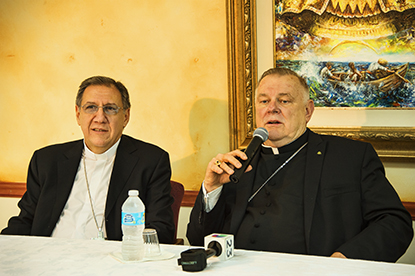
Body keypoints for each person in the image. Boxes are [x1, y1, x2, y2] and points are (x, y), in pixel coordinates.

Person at [186, 67, 413, 262]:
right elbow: (198, 240)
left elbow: (395, 223)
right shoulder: (237, 163)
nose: (272, 108)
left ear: (307, 111)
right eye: (264, 101)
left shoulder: (351, 157)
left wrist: (344, 260)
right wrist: (212, 188)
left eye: (284, 101)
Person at [1, 76, 175, 243]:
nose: (100, 118)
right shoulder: (47, 160)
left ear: (126, 117)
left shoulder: (151, 161)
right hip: (45, 260)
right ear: (78, 114)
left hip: (111, 264)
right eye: (91, 107)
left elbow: (160, 230)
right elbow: (25, 221)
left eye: (110, 108)